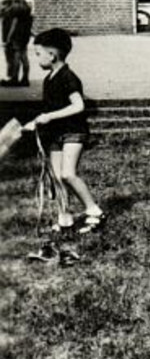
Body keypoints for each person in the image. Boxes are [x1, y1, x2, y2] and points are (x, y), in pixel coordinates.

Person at [22, 28, 103, 256]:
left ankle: (94, 211)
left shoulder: (68, 77)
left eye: (38, 54)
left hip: (73, 133)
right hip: (56, 134)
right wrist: (36, 122)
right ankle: (65, 218)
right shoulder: (49, 79)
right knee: (56, 177)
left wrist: (50, 117)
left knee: (68, 174)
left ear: (52, 55)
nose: (36, 58)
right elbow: (49, 110)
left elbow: (78, 106)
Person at [1, 0, 32, 86]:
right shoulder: (25, 5)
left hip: (16, 35)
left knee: (16, 56)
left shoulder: (15, 5)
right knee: (24, 56)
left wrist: (8, 38)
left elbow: (14, 23)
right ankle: (25, 79)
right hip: (24, 35)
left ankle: (14, 79)